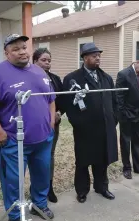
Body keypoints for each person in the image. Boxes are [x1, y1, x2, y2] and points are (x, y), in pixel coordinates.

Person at [0, 34, 56, 221]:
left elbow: (50, 98)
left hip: (43, 138)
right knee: (13, 181)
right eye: (16, 49)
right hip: (13, 140)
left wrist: (51, 121)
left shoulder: (39, 71)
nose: (22, 52)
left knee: (42, 175)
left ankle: (39, 204)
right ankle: (15, 215)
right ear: (7, 53)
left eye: (24, 47)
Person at [60, 42, 118, 203]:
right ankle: (82, 190)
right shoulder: (72, 79)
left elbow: (114, 102)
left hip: (105, 128)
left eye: (99, 55)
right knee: (83, 161)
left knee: (102, 159)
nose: (98, 58)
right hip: (84, 130)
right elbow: (67, 105)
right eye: (94, 56)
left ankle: (102, 187)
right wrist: (78, 124)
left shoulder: (105, 78)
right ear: (84, 58)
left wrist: (114, 119)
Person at [32, 48, 64, 203]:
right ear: (35, 61)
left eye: (49, 60)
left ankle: (48, 187)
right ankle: (35, 188)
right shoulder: (28, 78)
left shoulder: (55, 79)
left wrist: (59, 113)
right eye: (43, 60)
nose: (47, 63)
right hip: (33, 126)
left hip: (52, 125)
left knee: (48, 156)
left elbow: (63, 101)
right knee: (34, 158)